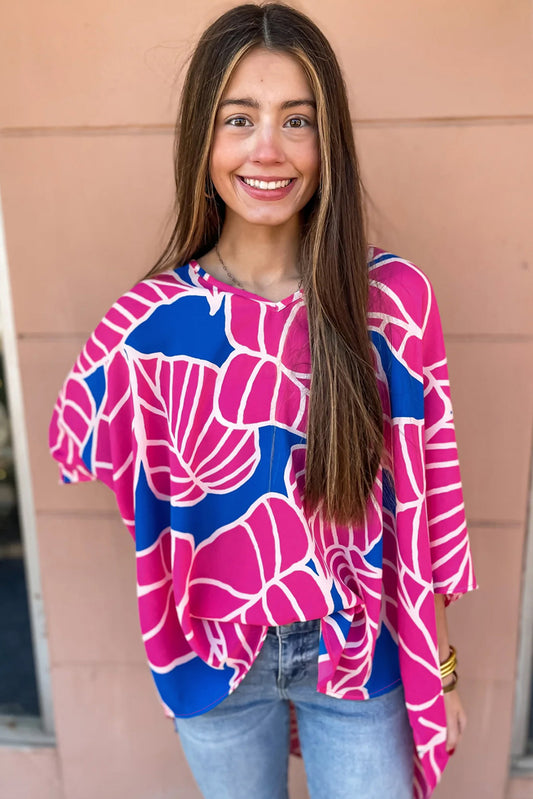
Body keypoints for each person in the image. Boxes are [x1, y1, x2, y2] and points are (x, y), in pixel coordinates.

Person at [49, 3, 477, 798]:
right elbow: (126, 490)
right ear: (201, 139)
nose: (268, 150)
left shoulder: (392, 301)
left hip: (358, 655)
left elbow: (428, 502)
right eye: (238, 118)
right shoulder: (145, 326)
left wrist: (439, 668)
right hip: (215, 670)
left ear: (328, 140)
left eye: (297, 120)